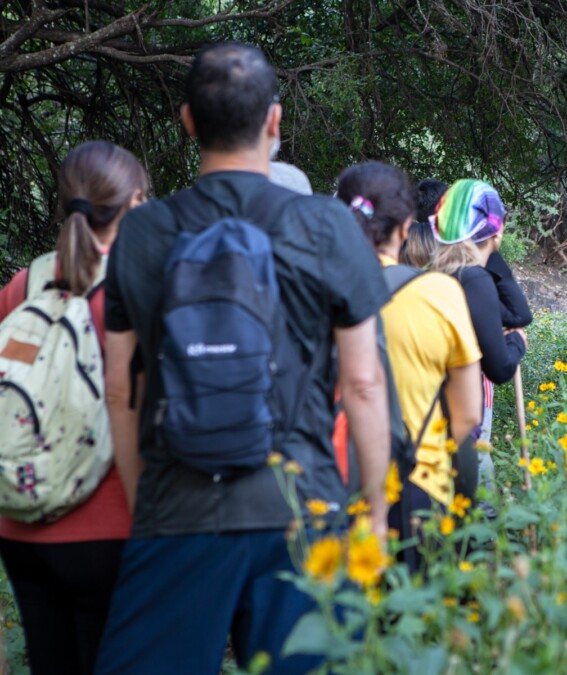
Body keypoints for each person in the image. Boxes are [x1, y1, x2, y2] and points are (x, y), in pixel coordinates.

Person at [94, 43, 391, 674]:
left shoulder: (143, 233)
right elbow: (363, 385)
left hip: (178, 506)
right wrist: (376, 512)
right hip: (302, 506)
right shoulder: (327, 226)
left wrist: (150, 503)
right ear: (275, 121)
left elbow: (120, 391)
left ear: (188, 122)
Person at [0, 140, 147, 675]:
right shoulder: (137, 287)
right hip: (107, 526)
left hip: (19, 525)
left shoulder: (24, 284)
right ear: (134, 203)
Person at [336, 162, 482, 570]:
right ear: (405, 228)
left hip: (332, 485)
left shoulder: (315, 288)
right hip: (419, 486)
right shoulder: (439, 292)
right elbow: (468, 413)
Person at [430, 179, 529, 495]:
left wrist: (487, 250)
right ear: (496, 231)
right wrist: (517, 343)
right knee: (473, 509)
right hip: (461, 419)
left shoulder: (442, 274)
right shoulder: (474, 279)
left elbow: (518, 314)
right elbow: (500, 368)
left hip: (431, 415)